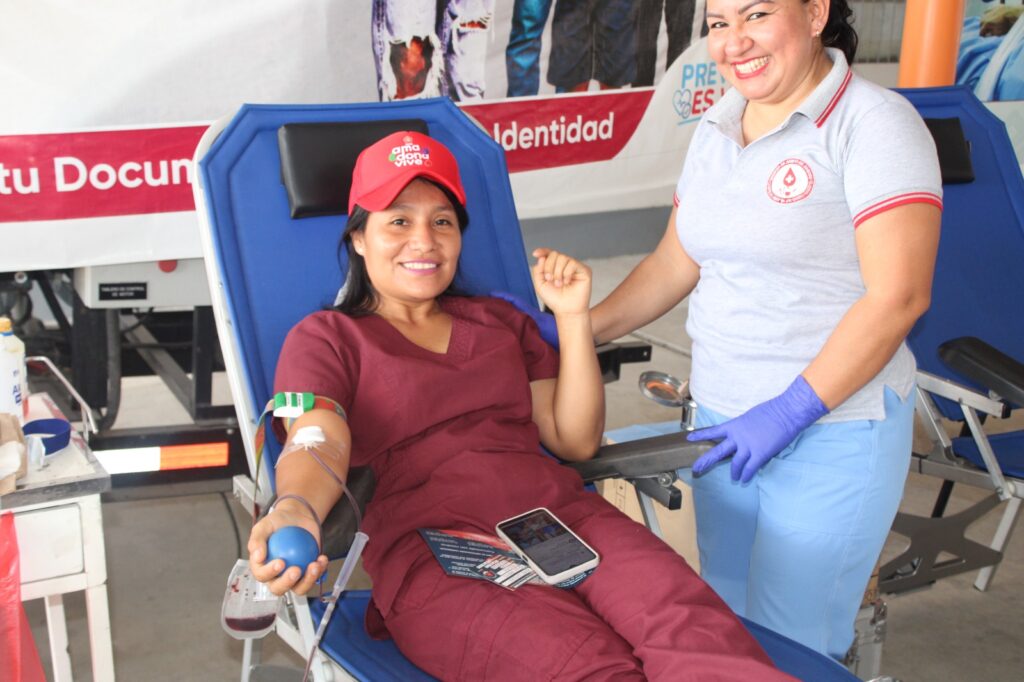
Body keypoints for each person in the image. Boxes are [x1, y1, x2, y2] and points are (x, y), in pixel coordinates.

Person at [247, 130, 793, 680]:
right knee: (584, 667)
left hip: (563, 520)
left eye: (442, 221)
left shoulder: (498, 323)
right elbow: (318, 435)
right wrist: (295, 505)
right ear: (360, 237)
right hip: (439, 550)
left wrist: (573, 318)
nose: (425, 240)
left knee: (696, 632)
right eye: (398, 220)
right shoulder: (327, 338)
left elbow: (573, 439)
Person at [525, 0, 942, 661]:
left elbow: (899, 296)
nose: (733, 42)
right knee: (726, 625)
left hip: (832, 431)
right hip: (726, 422)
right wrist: (572, 332)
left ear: (814, 14)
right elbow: (675, 261)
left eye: (756, 15)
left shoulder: (875, 125)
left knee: (797, 643)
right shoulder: (718, 128)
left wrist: (791, 408)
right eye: (718, 24)